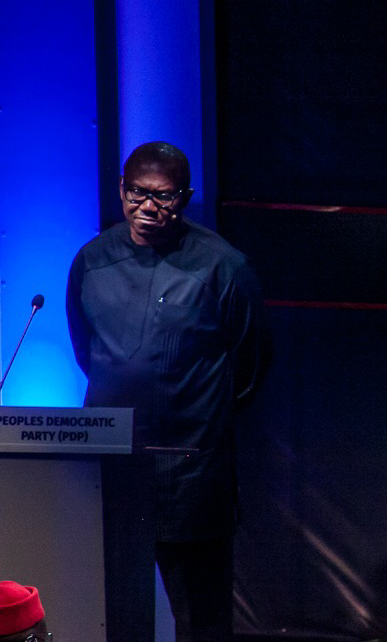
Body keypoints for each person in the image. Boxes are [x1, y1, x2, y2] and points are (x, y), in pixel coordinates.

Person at [66, 141, 268, 642]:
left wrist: (200, 417)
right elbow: (84, 348)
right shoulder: (91, 261)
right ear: (121, 189)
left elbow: (251, 363)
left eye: (165, 196)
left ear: (186, 196)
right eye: (137, 193)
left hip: (190, 471)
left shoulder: (224, 266)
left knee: (201, 619)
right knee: (107, 610)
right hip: (111, 470)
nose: (149, 207)